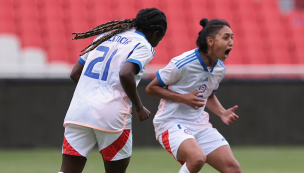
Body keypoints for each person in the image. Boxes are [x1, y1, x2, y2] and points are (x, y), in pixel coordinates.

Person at [59, 8, 167, 173]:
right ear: (156, 33)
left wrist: (93, 91)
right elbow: (125, 73)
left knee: (67, 171)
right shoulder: (143, 45)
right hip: (111, 116)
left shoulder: (104, 36)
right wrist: (139, 107)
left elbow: (75, 72)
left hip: (78, 112)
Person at [146, 18, 242, 173]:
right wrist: (183, 98)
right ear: (210, 41)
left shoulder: (219, 69)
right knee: (197, 158)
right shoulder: (183, 63)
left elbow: (208, 95)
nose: (231, 42)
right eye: (226, 37)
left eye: (232, 37)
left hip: (199, 124)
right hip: (170, 123)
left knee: (233, 169)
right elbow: (151, 88)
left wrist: (222, 112)